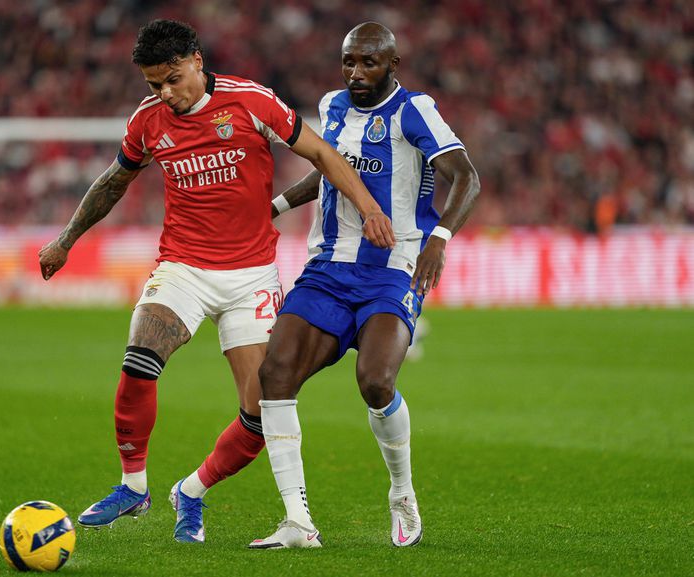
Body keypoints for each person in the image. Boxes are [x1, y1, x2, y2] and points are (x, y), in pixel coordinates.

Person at [38, 19, 395, 544]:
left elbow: (321, 153)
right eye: (154, 84)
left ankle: (192, 490)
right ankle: (133, 486)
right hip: (183, 266)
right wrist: (66, 240)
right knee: (140, 356)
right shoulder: (147, 121)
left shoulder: (251, 101)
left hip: (252, 275)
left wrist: (368, 208)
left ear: (197, 61)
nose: (165, 93)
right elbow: (114, 181)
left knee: (260, 413)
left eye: (173, 78)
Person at [249, 22, 480, 549]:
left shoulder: (414, 110)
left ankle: (402, 493)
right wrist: (275, 206)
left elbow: (467, 176)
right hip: (329, 266)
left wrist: (439, 238)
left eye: (368, 63)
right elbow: (329, 171)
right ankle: (297, 522)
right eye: (349, 61)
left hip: (394, 267)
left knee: (375, 381)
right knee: (275, 373)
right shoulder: (332, 106)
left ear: (392, 65)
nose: (355, 72)